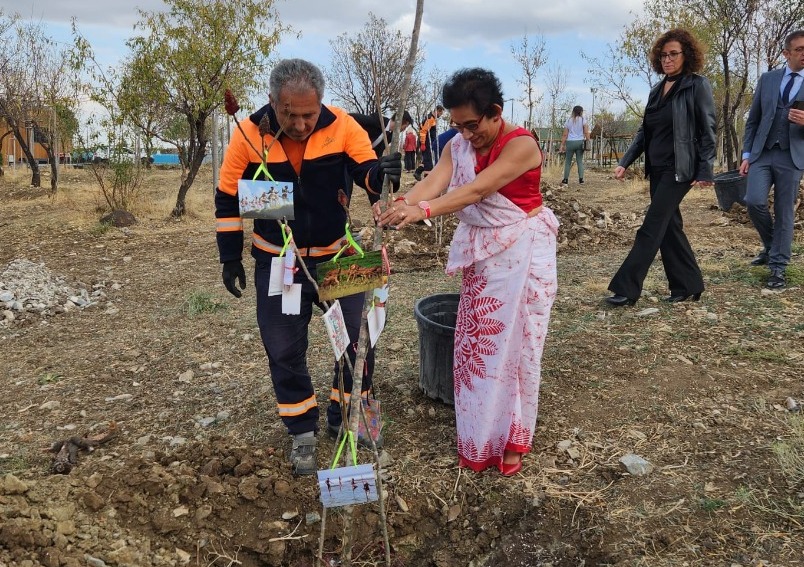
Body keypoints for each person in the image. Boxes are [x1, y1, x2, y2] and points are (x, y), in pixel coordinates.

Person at [215, 59, 401, 475]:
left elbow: (366, 172)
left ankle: (346, 415)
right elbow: (228, 197)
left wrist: (382, 174)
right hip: (279, 260)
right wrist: (229, 256)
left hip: (340, 255)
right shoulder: (248, 134)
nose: (299, 124)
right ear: (272, 102)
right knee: (282, 347)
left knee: (358, 339)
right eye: (289, 114)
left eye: (308, 114)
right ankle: (301, 429)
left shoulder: (344, 127)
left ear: (321, 104)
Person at [374, 68, 558, 477]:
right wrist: (402, 203)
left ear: (496, 112)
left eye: (472, 125)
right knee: (480, 347)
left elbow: (475, 191)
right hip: (485, 256)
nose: (465, 135)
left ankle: (511, 437)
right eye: (457, 126)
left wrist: (419, 210)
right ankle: (478, 437)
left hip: (523, 252)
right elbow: (435, 182)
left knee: (519, 346)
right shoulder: (457, 144)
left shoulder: (522, 145)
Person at [605, 28, 716, 307]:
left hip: (680, 169)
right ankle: (688, 285)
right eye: (663, 55)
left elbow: (708, 129)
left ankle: (627, 288)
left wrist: (705, 170)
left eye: (673, 54)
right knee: (669, 227)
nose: (668, 59)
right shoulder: (656, 91)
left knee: (651, 227)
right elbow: (645, 132)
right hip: (657, 169)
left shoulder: (696, 85)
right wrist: (624, 162)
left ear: (686, 55)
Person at [738, 30, 804, 290]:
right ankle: (771, 246)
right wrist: (746, 155)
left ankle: (778, 267)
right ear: (786, 53)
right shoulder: (768, 79)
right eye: (799, 49)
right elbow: (753, 120)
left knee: (785, 211)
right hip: (762, 153)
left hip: (792, 155)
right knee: (753, 202)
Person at [559, 106, 590, 185]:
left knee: (568, 161)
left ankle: (565, 180)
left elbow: (565, 134)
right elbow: (586, 132)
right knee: (579, 161)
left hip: (570, 142)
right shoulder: (583, 120)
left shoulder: (568, 121)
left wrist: (562, 145)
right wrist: (588, 141)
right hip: (580, 142)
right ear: (581, 112)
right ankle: (581, 179)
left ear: (573, 111)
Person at [414, 104, 445, 180]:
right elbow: (423, 131)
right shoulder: (430, 118)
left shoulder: (433, 119)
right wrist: (423, 143)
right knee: (429, 161)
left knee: (428, 159)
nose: (440, 115)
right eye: (440, 113)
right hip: (427, 142)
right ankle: (427, 179)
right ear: (437, 111)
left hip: (430, 142)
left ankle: (418, 172)